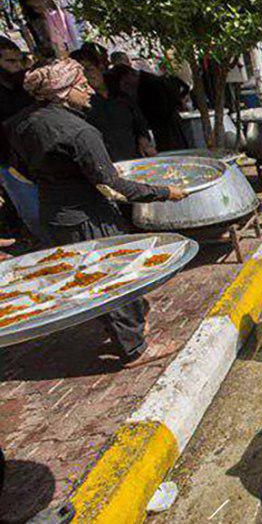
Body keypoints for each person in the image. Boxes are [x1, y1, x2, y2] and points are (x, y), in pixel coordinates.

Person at [8, 59, 188, 366]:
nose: (90, 90)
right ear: (62, 92)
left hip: (53, 212)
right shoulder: (79, 131)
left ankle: (131, 323)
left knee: (91, 275)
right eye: (82, 85)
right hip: (88, 216)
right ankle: (134, 349)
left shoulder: (21, 123)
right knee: (110, 279)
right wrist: (165, 193)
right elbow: (112, 184)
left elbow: (17, 170)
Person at [89, 65, 156, 161]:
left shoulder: (122, 97)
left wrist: (144, 141)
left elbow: (139, 124)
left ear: (101, 69)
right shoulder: (83, 104)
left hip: (133, 159)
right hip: (106, 161)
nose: (89, 75)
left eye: (89, 68)